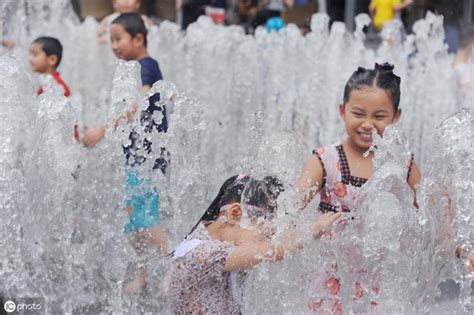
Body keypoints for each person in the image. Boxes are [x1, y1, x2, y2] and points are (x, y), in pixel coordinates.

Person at [298, 63, 420, 313]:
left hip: (381, 284)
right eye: (358, 113)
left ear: (396, 116)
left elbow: (431, 215)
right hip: (330, 284)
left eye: (379, 116)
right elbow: (290, 208)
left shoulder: (403, 164)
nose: (367, 124)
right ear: (342, 111)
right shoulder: (325, 160)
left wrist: (461, 248)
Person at [84, 13, 169, 294]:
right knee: (135, 217)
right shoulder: (135, 67)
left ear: (139, 39)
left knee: (146, 219)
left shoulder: (146, 67)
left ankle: (176, 264)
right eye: (111, 40)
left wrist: (100, 131)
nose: (113, 45)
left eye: (118, 38)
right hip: (137, 156)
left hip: (148, 158)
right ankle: (145, 272)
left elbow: (135, 105)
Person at [170, 174, 342, 314]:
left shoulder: (220, 245)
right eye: (264, 235)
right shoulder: (201, 253)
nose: (265, 241)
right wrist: (309, 231)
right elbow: (271, 251)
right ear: (235, 213)